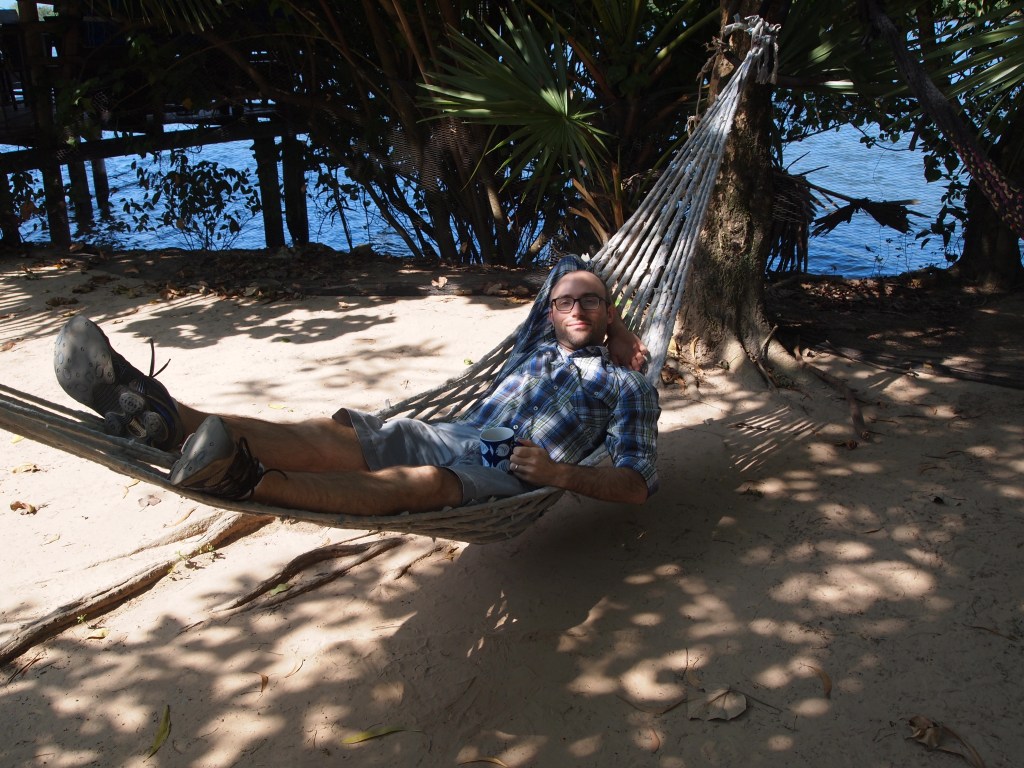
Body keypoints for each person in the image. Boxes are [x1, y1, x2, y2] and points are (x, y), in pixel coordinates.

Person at [53, 256, 660, 517]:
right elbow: (568, 267)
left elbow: (635, 485)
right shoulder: (539, 338)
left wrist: (557, 474)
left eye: (593, 303)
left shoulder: (627, 387)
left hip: (514, 470)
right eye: (567, 303)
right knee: (331, 434)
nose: (576, 308)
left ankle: (248, 480)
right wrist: (617, 322)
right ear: (550, 311)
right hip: (453, 430)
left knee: (424, 486)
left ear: (606, 310)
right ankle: (163, 415)